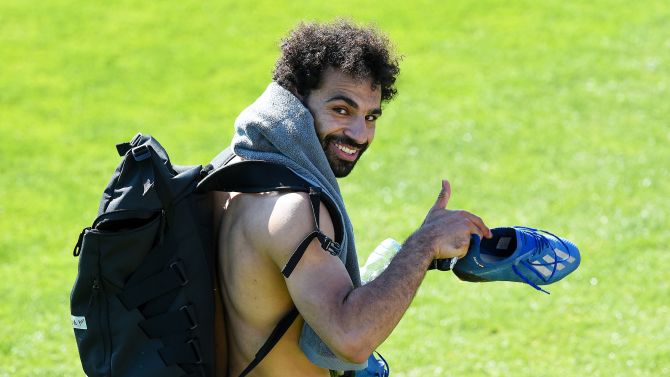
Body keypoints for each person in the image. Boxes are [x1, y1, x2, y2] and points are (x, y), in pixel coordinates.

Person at [214, 19, 492, 376]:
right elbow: (350, 337)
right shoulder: (295, 210)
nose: (359, 134)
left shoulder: (232, 172)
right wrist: (424, 245)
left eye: (371, 116)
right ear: (296, 94)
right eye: (341, 110)